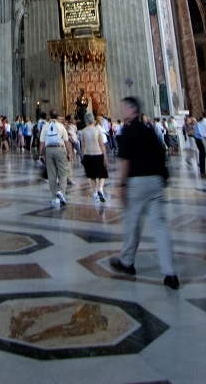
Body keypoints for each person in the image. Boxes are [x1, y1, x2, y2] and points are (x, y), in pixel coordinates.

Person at [110, 97, 179, 289]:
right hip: (156, 181)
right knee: (160, 227)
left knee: (132, 223)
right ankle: (170, 273)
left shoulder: (129, 130)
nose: (122, 111)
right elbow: (161, 154)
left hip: (138, 182)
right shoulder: (149, 131)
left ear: (132, 111)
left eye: (124, 108)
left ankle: (127, 262)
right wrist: (163, 179)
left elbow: (125, 161)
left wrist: (121, 186)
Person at [41, 110, 69, 208]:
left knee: (52, 174)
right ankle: (61, 191)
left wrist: (40, 154)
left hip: (48, 150)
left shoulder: (45, 126)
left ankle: (54, 197)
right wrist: (69, 153)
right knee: (63, 172)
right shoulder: (61, 126)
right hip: (59, 149)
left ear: (49, 116)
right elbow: (66, 141)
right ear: (57, 117)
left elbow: (41, 142)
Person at [80, 114, 108, 202]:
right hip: (98, 153)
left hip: (88, 155)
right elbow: (102, 144)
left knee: (92, 176)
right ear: (93, 120)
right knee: (102, 174)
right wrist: (105, 156)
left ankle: (95, 194)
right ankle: (101, 189)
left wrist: (82, 156)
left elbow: (83, 146)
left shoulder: (83, 131)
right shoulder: (97, 130)